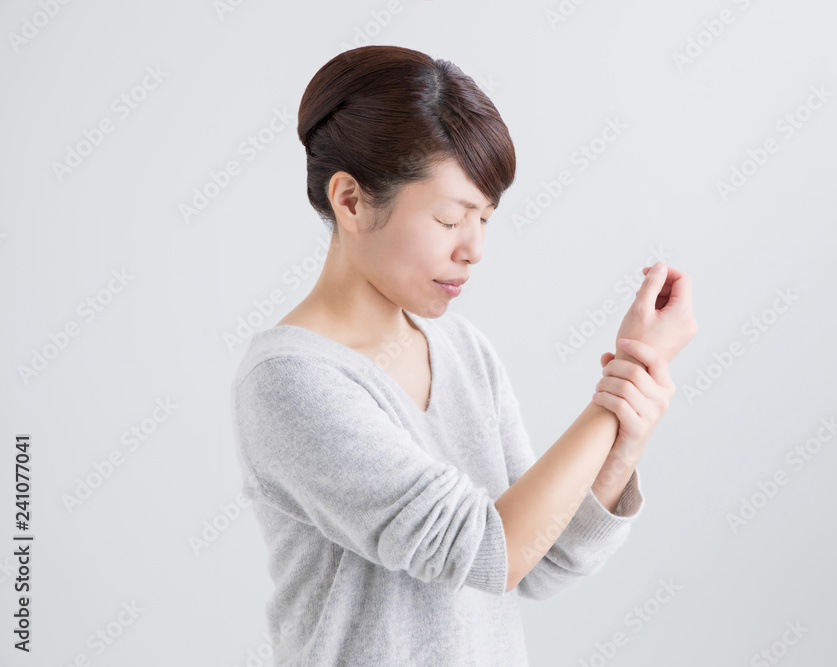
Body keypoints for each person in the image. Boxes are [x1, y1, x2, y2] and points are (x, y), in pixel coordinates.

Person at [229, 44, 697, 666]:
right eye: (451, 220)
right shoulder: (290, 380)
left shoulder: (464, 350)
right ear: (351, 201)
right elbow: (488, 553)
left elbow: (542, 559)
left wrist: (626, 435)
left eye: (486, 219)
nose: (473, 249)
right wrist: (615, 394)